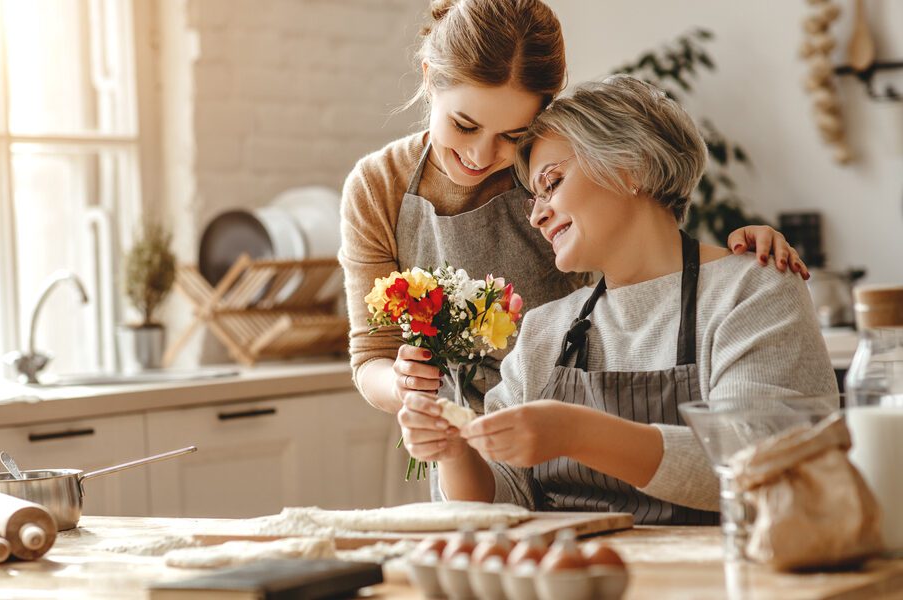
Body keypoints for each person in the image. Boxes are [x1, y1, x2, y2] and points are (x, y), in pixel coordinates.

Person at [339, 0, 808, 494]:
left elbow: (646, 262)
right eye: (465, 125)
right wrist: (420, 401)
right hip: (482, 459)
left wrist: (732, 262)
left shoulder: (745, 294)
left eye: (513, 137)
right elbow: (373, 352)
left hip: (574, 433)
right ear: (429, 75)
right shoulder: (381, 188)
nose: (480, 156)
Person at [396, 75, 838, 523]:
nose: (536, 214)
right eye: (533, 196)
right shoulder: (545, 330)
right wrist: (454, 452)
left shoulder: (752, 290)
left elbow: (760, 463)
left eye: (552, 182)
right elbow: (504, 500)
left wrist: (577, 432)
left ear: (631, 167)